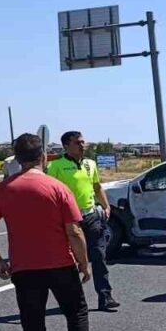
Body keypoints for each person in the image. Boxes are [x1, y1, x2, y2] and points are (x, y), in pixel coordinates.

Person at [0, 133, 104, 331]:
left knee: (32, 320)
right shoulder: (57, 188)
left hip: (24, 267)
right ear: (43, 157)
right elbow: (74, 231)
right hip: (59, 263)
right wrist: (83, 262)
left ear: (17, 158)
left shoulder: (4, 189)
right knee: (76, 311)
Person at [46, 131, 118, 311]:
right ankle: (73, 300)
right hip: (69, 219)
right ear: (66, 146)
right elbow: (49, 193)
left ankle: (105, 296)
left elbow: (97, 186)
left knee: (99, 255)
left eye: (83, 142)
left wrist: (106, 206)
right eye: (78, 142)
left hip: (91, 216)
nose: (82, 145)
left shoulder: (90, 164)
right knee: (70, 260)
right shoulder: (55, 166)